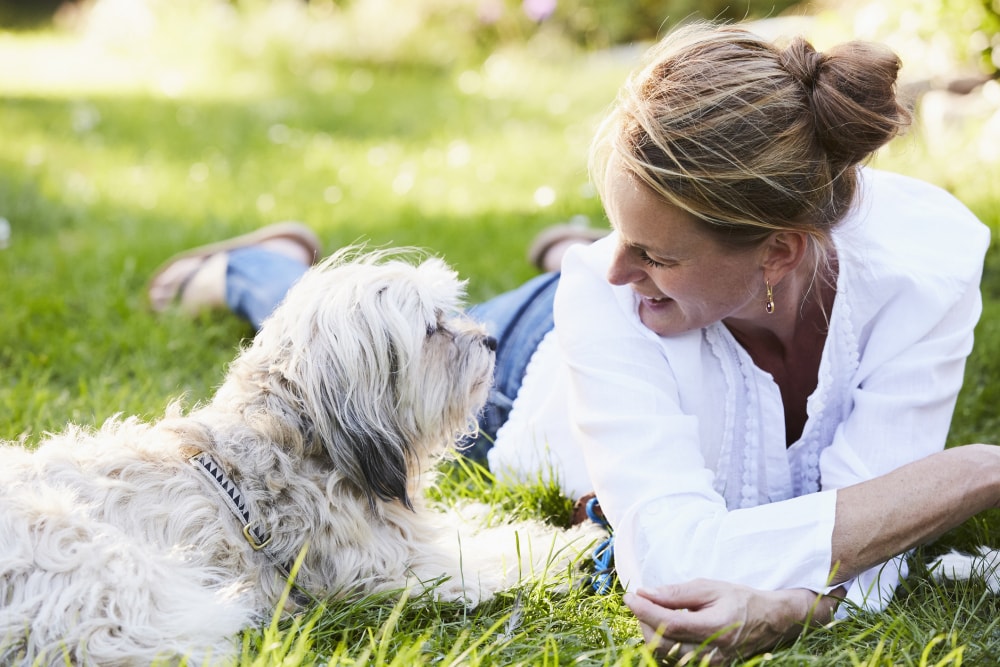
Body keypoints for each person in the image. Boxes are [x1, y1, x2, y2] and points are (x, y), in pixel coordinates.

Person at [148, 23, 994, 662]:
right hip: (522, 377)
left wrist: (801, 599)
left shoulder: (929, 264)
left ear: (778, 250)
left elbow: (878, 558)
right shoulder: (604, 293)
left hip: (683, 305)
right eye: (623, 236)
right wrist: (974, 471)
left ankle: (577, 242)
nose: (615, 269)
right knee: (351, 360)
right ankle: (252, 270)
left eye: (651, 247)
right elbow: (674, 562)